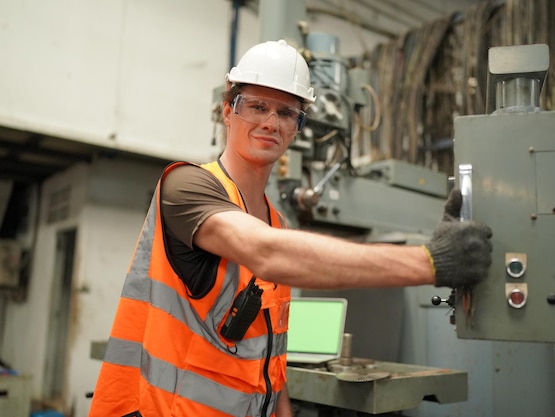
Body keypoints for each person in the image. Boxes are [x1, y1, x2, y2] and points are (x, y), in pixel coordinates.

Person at [88, 39, 492, 417]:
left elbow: (271, 352)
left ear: (297, 127)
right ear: (228, 110)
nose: (271, 122)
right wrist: (431, 262)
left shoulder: (275, 220)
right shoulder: (186, 186)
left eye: (286, 113)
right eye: (256, 106)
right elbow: (268, 253)